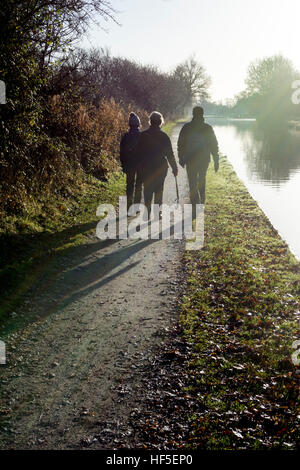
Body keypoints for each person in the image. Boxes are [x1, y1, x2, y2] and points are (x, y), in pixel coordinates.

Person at [177, 106, 219, 216]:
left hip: (190, 160)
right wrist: (216, 160)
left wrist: (181, 157)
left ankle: (195, 205)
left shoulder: (187, 127)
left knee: (192, 182)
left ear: (193, 114)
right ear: (202, 114)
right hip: (204, 160)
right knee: (202, 180)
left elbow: (180, 143)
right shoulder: (207, 128)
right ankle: (201, 205)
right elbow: (214, 145)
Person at [136, 111, 178, 217]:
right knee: (159, 189)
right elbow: (170, 154)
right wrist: (174, 167)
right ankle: (157, 213)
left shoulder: (143, 135)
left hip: (146, 167)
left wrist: (138, 166)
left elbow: (137, 152)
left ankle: (147, 212)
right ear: (160, 122)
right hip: (161, 167)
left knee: (147, 189)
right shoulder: (164, 136)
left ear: (150, 121)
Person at [120, 112, 142, 209]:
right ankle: (136, 206)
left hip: (129, 164)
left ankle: (129, 206)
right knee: (139, 185)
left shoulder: (125, 136)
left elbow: (122, 152)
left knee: (129, 185)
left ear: (129, 124)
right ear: (138, 124)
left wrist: (123, 165)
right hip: (140, 164)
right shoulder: (142, 135)